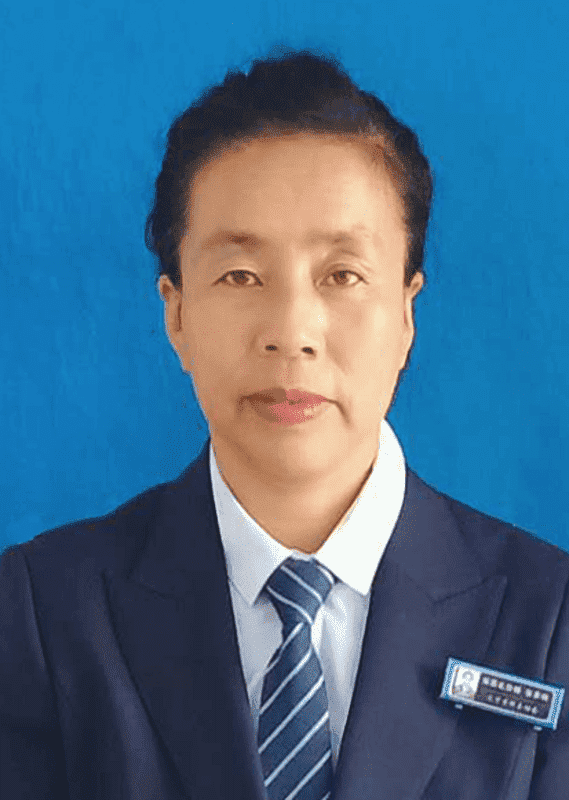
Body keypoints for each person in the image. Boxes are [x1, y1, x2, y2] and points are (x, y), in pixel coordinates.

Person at [1, 48, 568, 800]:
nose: (291, 332)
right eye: (240, 275)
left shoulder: (550, 617)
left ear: (406, 313)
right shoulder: (40, 612)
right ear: (176, 313)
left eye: (342, 275)